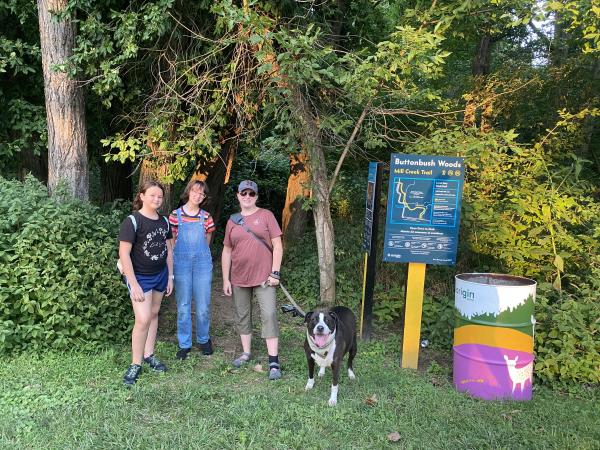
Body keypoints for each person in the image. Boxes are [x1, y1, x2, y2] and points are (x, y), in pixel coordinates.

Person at [222, 180, 284, 380]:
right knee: (242, 315)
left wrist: (275, 272)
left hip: (265, 277)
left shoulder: (266, 215)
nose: (247, 197)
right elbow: (227, 250)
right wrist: (225, 279)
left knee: (269, 314)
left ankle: (273, 360)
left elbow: (277, 245)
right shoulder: (232, 221)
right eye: (243, 193)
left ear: (256, 196)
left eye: (251, 194)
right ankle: (246, 352)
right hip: (239, 276)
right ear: (238, 196)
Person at [118, 180, 173, 386]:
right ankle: (135, 364)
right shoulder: (133, 221)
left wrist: (170, 276)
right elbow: (124, 253)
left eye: (159, 196)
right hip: (140, 277)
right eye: (152, 195)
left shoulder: (164, 222)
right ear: (142, 196)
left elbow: (169, 250)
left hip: (160, 274)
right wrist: (134, 283)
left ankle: (149, 355)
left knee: (153, 313)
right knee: (142, 319)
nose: (156, 199)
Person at [168, 180, 216, 360]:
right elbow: (171, 239)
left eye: (202, 193)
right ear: (189, 192)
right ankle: (184, 344)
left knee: (203, 306)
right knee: (183, 306)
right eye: (195, 192)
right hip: (181, 263)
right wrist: (177, 256)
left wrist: (202, 253)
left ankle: (204, 339)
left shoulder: (206, 217)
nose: (198, 195)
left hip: (202, 264)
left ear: (204, 197)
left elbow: (209, 235)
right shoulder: (175, 215)